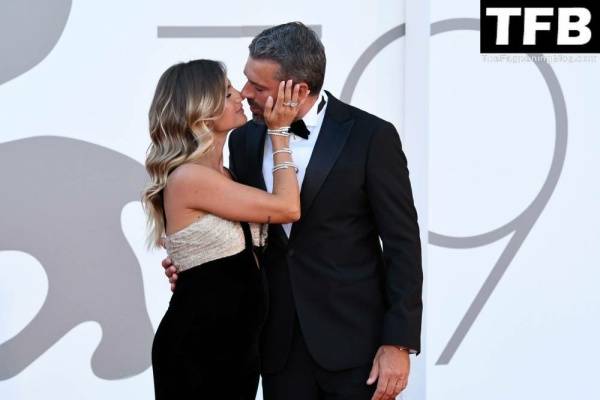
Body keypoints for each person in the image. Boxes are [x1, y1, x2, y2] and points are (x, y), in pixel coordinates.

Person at [164, 22, 423, 400]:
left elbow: (402, 244)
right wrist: (199, 268)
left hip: (355, 350)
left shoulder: (371, 137)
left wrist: (398, 343)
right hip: (275, 347)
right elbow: (246, 230)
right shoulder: (245, 138)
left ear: (297, 90)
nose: (245, 93)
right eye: (245, 80)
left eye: (259, 87)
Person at [143, 59, 308, 399]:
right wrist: (279, 133)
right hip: (199, 352)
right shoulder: (189, 178)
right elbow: (288, 207)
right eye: (227, 91)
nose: (240, 96)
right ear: (200, 109)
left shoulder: (227, 175)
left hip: (238, 350)